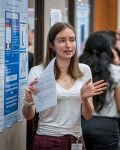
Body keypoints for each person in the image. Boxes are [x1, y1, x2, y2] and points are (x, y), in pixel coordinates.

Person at [22, 22, 107, 150]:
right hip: (47, 139)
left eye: (72, 40)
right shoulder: (38, 72)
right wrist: (28, 102)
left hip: (76, 139)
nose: (68, 45)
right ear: (51, 45)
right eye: (62, 41)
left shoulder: (84, 70)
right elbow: (29, 116)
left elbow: (88, 116)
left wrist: (84, 99)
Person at [79, 31, 120, 150]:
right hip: (107, 128)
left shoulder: (78, 69)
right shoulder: (116, 71)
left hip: (79, 123)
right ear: (109, 49)